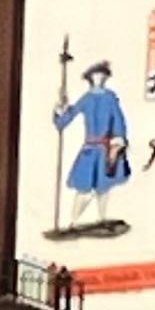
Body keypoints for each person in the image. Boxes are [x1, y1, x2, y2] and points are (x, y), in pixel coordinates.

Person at [51, 62, 130, 234]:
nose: (99, 79)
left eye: (102, 76)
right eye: (96, 76)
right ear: (90, 79)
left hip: (106, 149)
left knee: (104, 188)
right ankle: (73, 222)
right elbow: (67, 118)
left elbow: (118, 119)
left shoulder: (110, 97)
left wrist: (118, 141)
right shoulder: (86, 98)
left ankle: (101, 219)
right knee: (84, 189)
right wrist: (60, 109)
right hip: (89, 149)